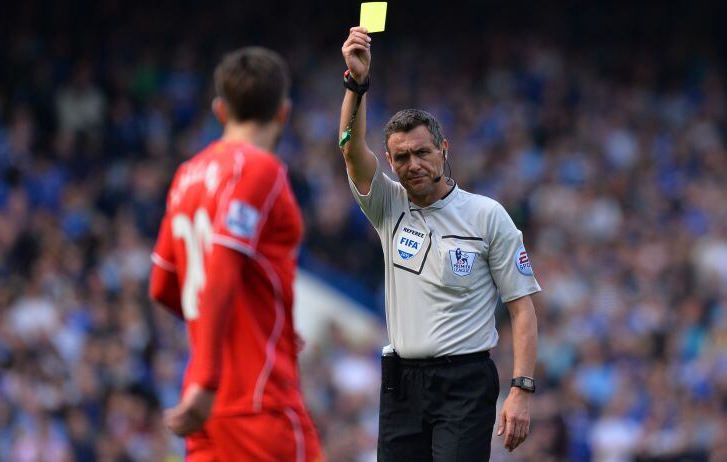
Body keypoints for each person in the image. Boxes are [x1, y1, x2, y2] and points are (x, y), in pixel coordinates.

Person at [338, 27, 541, 461]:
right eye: (402, 157)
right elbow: (350, 149)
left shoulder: (487, 215)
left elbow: (522, 308)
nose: (414, 164)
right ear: (390, 161)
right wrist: (357, 84)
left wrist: (521, 388)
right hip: (401, 383)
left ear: (443, 149)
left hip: (464, 382)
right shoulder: (388, 206)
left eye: (423, 152)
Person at [149, 47, 324, 462]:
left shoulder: (186, 175)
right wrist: (212, 375)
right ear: (284, 112)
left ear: (219, 109)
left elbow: (162, 285)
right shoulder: (261, 170)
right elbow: (225, 264)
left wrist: (241, 327)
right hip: (258, 397)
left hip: (206, 409)